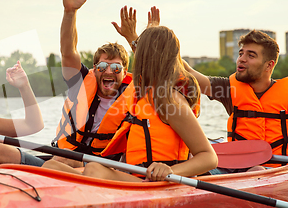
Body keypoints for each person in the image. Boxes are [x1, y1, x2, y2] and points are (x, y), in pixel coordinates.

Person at [182, 30, 288, 173]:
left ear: (269, 65)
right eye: (241, 53)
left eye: (250, 55)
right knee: (193, 163)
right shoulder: (229, 89)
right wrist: (159, 38)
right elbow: (188, 73)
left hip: (275, 171)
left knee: (256, 169)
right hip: (234, 168)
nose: (241, 59)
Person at [82, 26, 218, 182]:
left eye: (140, 51)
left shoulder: (170, 101)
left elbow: (209, 157)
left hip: (158, 184)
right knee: (56, 167)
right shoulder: (144, 94)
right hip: (139, 178)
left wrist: (170, 171)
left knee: (93, 169)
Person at [42, 0, 134, 172]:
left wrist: (133, 40)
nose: (108, 71)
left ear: (125, 71)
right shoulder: (81, 82)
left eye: (116, 67)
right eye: (102, 66)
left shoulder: (136, 94)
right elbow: (68, 51)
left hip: (102, 169)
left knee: (58, 165)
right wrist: (70, 12)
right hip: (62, 158)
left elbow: (158, 70)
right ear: (95, 69)